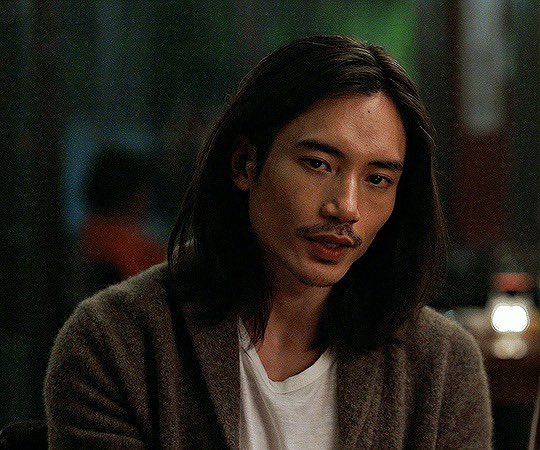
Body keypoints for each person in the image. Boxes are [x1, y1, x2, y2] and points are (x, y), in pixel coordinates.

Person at [45, 36, 492, 448]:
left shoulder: (442, 365)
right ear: (245, 163)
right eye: (318, 164)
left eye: (377, 179)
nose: (346, 207)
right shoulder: (115, 343)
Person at [79, 145, 165, 292]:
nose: (147, 199)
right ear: (130, 195)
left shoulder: (91, 229)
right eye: (144, 191)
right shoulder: (122, 243)